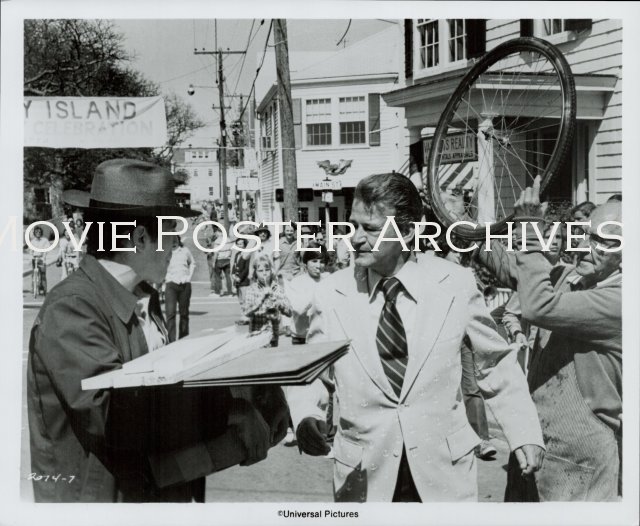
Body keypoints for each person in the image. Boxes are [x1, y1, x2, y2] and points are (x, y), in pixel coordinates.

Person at [27, 159, 288, 502]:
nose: (176, 245)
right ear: (139, 238)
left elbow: (161, 390)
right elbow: (113, 415)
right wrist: (230, 407)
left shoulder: (140, 296)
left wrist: (255, 392)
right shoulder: (73, 307)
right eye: (170, 234)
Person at [287, 172, 544, 502]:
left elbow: (496, 363)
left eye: (370, 228)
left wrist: (524, 432)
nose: (356, 239)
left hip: (443, 476)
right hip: (364, 477)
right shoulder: (331, 293)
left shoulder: (454, 284)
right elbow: (312, 372)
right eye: (353, 226)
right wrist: (306, 416)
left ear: (407, 231)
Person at [478, 177, 622, 502]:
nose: (583, 245)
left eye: (602, 241)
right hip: (535, 442)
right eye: (585, 234)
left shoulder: (621, 299)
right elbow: (515, 271)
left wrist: (530, 229)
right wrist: (467, 227)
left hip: (580, 457)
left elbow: (539, 305)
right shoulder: (571, 277)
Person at [242, 253, 292, 347]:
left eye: (267, 270)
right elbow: (246, 312)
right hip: (256, 335)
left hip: (274, 336)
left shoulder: (278, 288)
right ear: (255, 273)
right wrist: (261, 298)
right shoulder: (252, 289)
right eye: (260, 271)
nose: (264, 273)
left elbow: (290, 312)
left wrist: (279, 303)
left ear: (271, 270)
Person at [164, 237, 196, 342]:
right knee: (170, 313)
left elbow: (192, 263)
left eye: (175, 240)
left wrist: (189, 277)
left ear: (178, 240)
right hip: (171, 284)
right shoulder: (165, 252)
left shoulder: (185, 251)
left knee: (184, 313)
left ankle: (183, 338)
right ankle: (171, 340)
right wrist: (167, 277)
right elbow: (160, 266)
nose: (173, 242)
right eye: (171, 240)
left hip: (184, 284)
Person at [231, 237, 251, 325]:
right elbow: (234, 265)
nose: (239, 246)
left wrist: (240, 277)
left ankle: (247, 318)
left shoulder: (247, 254)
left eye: (241, 244)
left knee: (245, 300)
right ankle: (243, 317)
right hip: (237, 281)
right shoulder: (237, 254)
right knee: (241, 301)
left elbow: (247, 268)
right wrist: (233, 274)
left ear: (245, 245)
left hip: (245, 281)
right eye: (238, 244)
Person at [29, 226, 50, 296]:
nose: (38, 233)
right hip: (34, 258)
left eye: (39, 232)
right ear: (34, 233)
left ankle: (44, 289)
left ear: (41, 233)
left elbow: (46, 250)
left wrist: (44, 257)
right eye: (36, 232)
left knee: (43, 274)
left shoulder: (45, 240)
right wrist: (31, 256)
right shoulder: (32, 241)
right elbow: (31, 251)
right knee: (33, 273)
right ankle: (33, 288)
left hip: (41, 258)